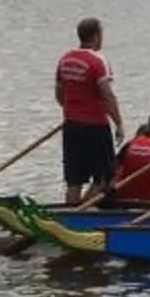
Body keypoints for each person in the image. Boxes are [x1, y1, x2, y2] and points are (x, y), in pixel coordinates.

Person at [54, 15, 123, 207]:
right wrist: (119, 124)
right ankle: (82, 214)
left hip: (71, 124)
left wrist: (71, 111)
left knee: (74, 180)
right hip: (95, 126)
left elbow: (59, 93)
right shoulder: (98, 61)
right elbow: (108, 96)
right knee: (104, 178)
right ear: (96, 36)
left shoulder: (65, 59)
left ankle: (70, 213)